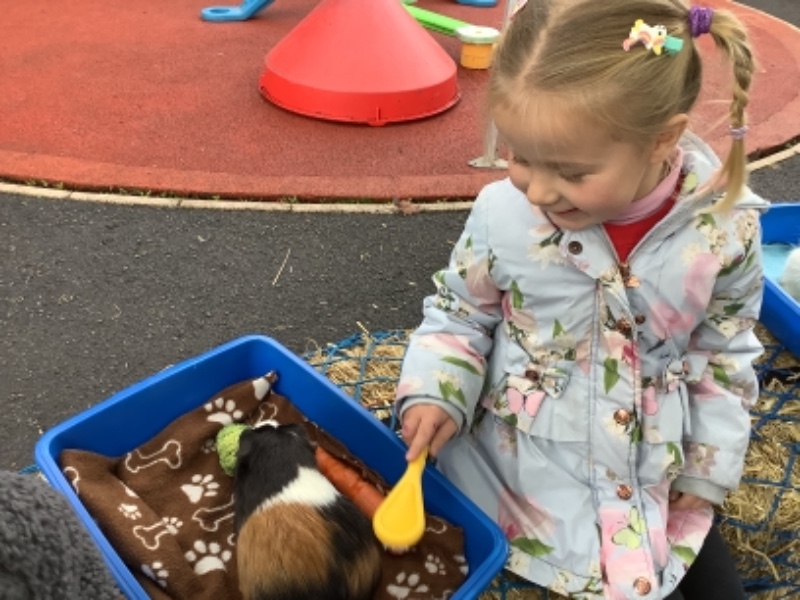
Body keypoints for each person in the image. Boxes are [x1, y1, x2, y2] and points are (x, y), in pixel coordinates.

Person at [394, 1, 767, 598]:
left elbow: (724, 351)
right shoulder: (502, 216)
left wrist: (707, 465)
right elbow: (461, 312)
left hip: (650, 476)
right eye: (520, 157)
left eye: (570, 172)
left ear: (661, 139)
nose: (539, 190)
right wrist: (437, 390)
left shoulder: (724, 229)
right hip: (517, 476)